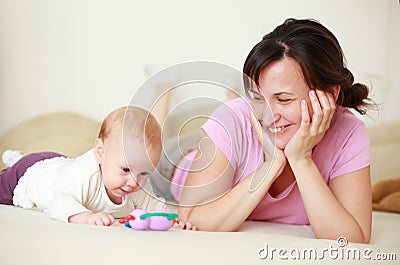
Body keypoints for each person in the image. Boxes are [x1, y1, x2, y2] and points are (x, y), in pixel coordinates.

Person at [155, 18, 374, 242]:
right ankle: (164, 89)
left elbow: (352, 239)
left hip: (235, 138)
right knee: (150, 143)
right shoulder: (231, 119)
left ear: (330, 94)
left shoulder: (348, 133)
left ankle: (236, 93)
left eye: (283, 99)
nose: (269, 116)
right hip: (177, 162)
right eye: (258, 97)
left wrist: (301, 159)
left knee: (241, 116)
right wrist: (272, 164)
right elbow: (193, 219)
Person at [0, 106, 166, 226]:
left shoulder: (133, 183)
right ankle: (17, 161)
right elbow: (59, 201)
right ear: (100, 152)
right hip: (32, 173)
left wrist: (174, 221)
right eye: (126, 170)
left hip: (62, 165)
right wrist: (85, 216)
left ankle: (16, 158)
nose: (134, 182)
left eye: (144, 173)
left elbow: (153, 205)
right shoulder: (84, 175)